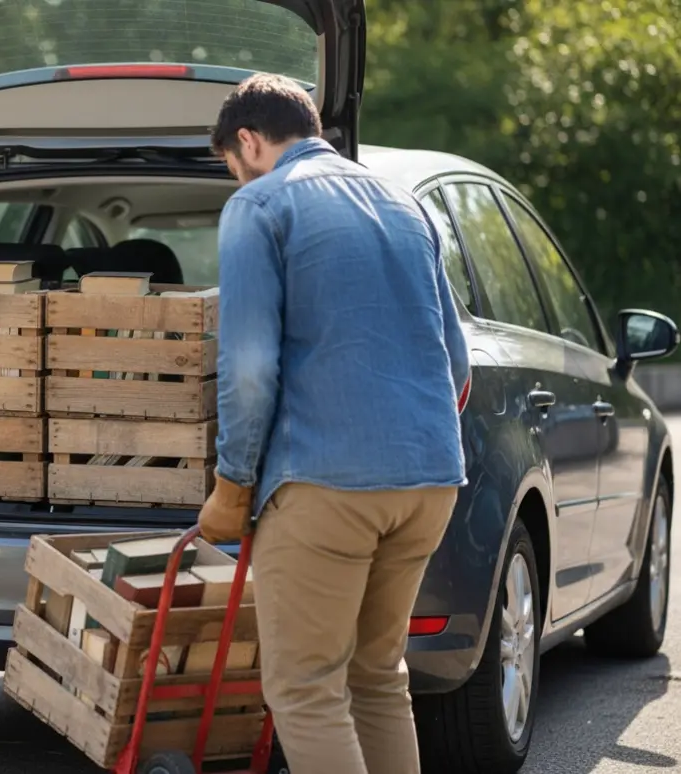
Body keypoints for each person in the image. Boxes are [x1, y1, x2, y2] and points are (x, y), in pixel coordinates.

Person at [196, 73, 470, 774]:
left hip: (324, 482)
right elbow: (457, 363)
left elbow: (251, 368)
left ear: (249, 142)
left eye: (232, 163)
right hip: (430, 480)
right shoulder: (404, 204)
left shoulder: (260, 205)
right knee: (378, 677)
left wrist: (232, 485)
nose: (235, 178)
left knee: (305, 688)